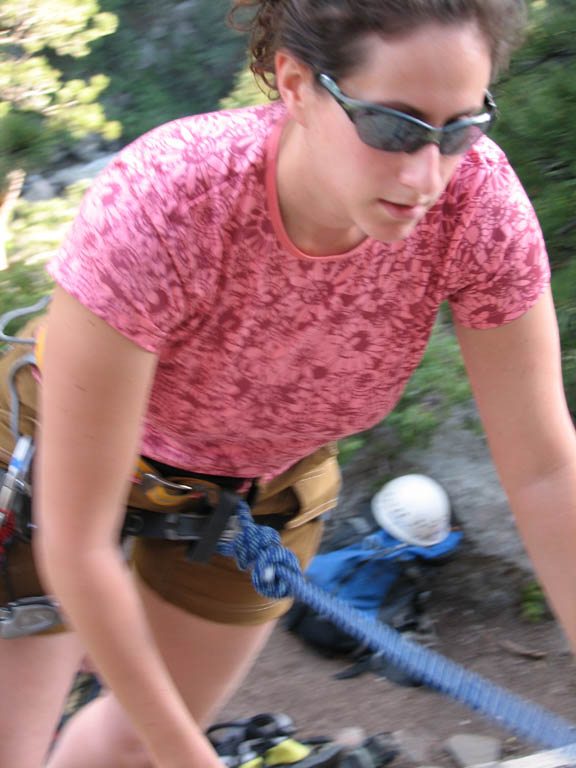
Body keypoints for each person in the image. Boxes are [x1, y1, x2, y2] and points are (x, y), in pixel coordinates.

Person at [1, 0, 575, 765]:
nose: (425, 175)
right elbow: (75, 545)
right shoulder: (172, 200)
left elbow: (543, 470)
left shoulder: (479, 210)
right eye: (394, 125)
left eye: (461, 129)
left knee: (135, 744)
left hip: (257, 486)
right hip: (61, 452)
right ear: (296, 84)